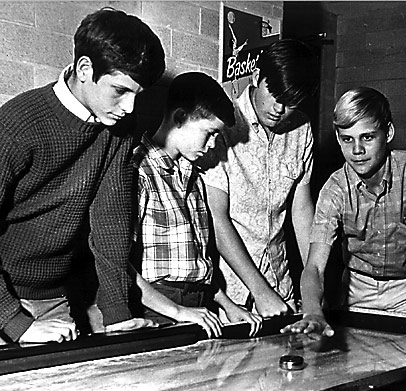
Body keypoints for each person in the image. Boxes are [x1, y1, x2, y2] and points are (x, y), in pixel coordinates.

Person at [0, 8, 165, 344]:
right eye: (120, 91)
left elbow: (111, 223)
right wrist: (15, 323)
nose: (130, 108)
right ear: (85, 69)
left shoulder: (119, 130)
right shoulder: (17, 126)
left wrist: (117, 314)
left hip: (53, 299)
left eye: (138, 94)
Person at [283, 87, 406, 337]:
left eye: (367, 137)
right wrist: (313, 311)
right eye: (347, 139)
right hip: (357, 292)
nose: (357, 150)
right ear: (338, 139)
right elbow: (315, 265)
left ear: (388, 133)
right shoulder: (334, 189)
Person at [131, 72, 262, 337]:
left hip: (199, 307)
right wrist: (178, 312)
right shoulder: (138, 172)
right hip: (155, 311)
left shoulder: (193, 177)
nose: (213, 145)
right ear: (180, 118)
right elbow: (119, 267)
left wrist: (227, 305)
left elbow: (196, 268)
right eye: (209, 133)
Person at [203, 39, 319, 318]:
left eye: (291, 102)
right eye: (275, 94)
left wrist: (314, 283)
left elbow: (301, 211)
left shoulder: (301, 129)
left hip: (282, 284)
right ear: (256, 76)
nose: (280, 109)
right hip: (231, 293)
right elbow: (216, 218)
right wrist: (260, 291)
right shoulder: (222, 123)